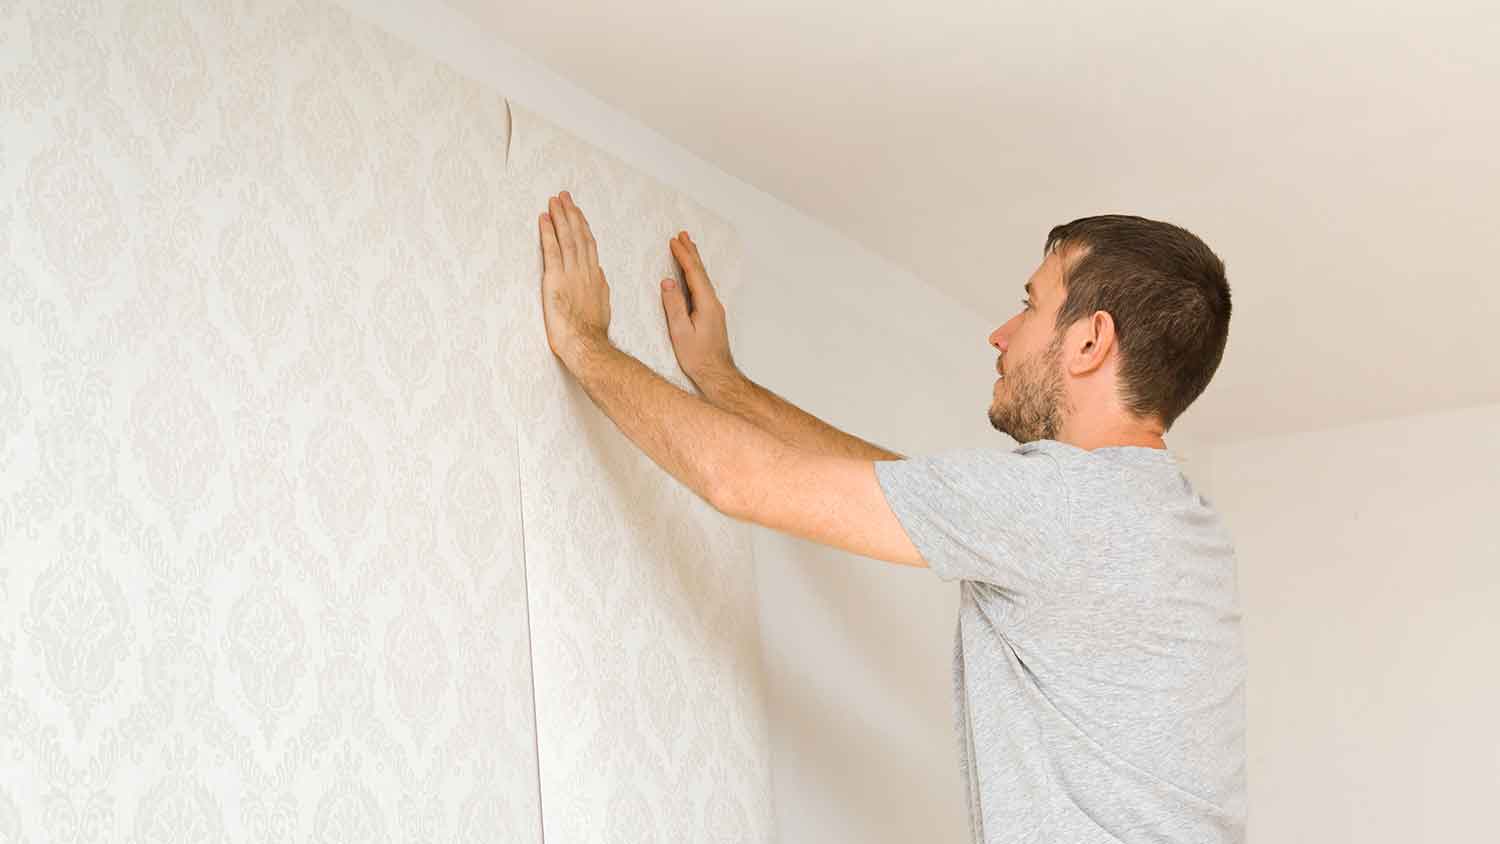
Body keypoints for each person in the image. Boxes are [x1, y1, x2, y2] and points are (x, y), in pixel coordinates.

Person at [537, 191, 1246, 844]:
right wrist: (724, 384)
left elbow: (738, 481)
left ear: (1090, 342)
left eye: (1028, 306)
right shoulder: (1168, 516)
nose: (1001, 335)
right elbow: (900, 489)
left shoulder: (1063, 505)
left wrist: (584, 342)